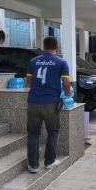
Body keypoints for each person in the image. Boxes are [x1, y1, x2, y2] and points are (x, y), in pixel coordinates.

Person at [26, 36, 71, 173]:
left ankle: (33, 165)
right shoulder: (62, 63)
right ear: (57, 47)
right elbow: (66, 83)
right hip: (51, 103)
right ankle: (49, 161)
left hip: (33, 102)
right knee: (53, 132)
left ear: (44, 47)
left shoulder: (33, 61)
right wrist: (68, 93)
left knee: (33, 133)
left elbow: (29, 81)